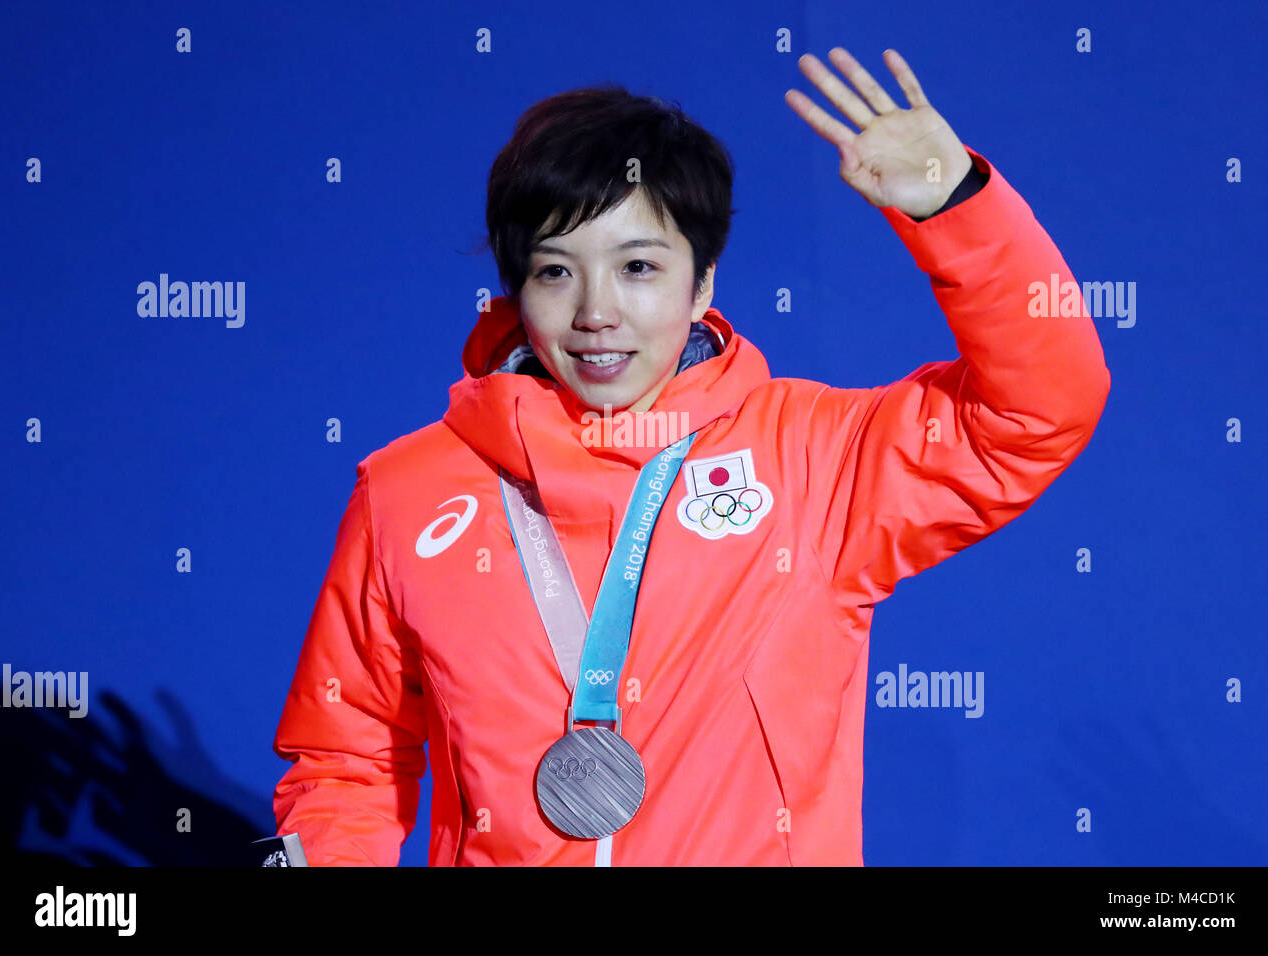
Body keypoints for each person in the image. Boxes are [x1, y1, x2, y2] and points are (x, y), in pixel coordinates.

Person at [270, 47, 1110, 866]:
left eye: (638, 267)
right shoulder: (409, 489)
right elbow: (347, 761)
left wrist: (959, 208)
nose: (597, 311)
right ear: (515, 288)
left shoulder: (811, 460)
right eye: (555, 272)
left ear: (702, 283)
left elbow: (1039, 409)